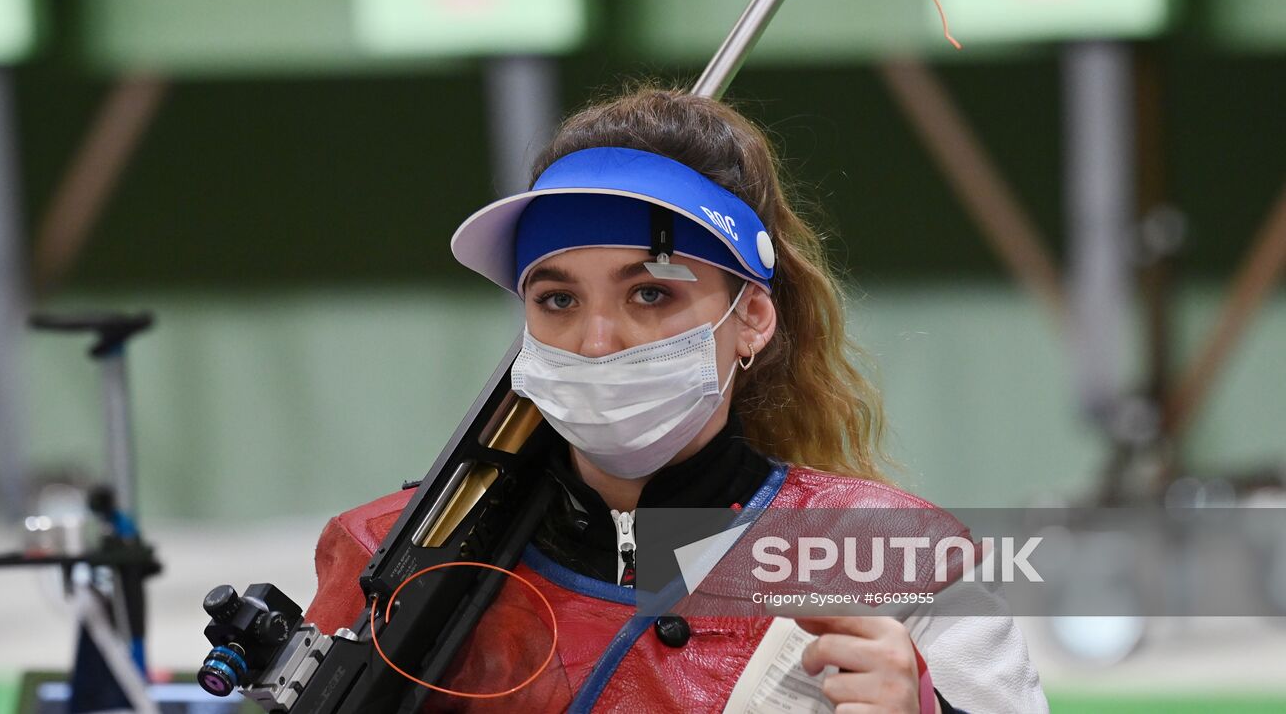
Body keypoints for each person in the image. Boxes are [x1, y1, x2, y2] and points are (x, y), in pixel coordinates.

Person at [306, 88, 1048, 712]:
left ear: (752, 318)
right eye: (557, 297)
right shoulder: (387, 556)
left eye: (651, 292)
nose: (597, 340)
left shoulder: (891, 557)